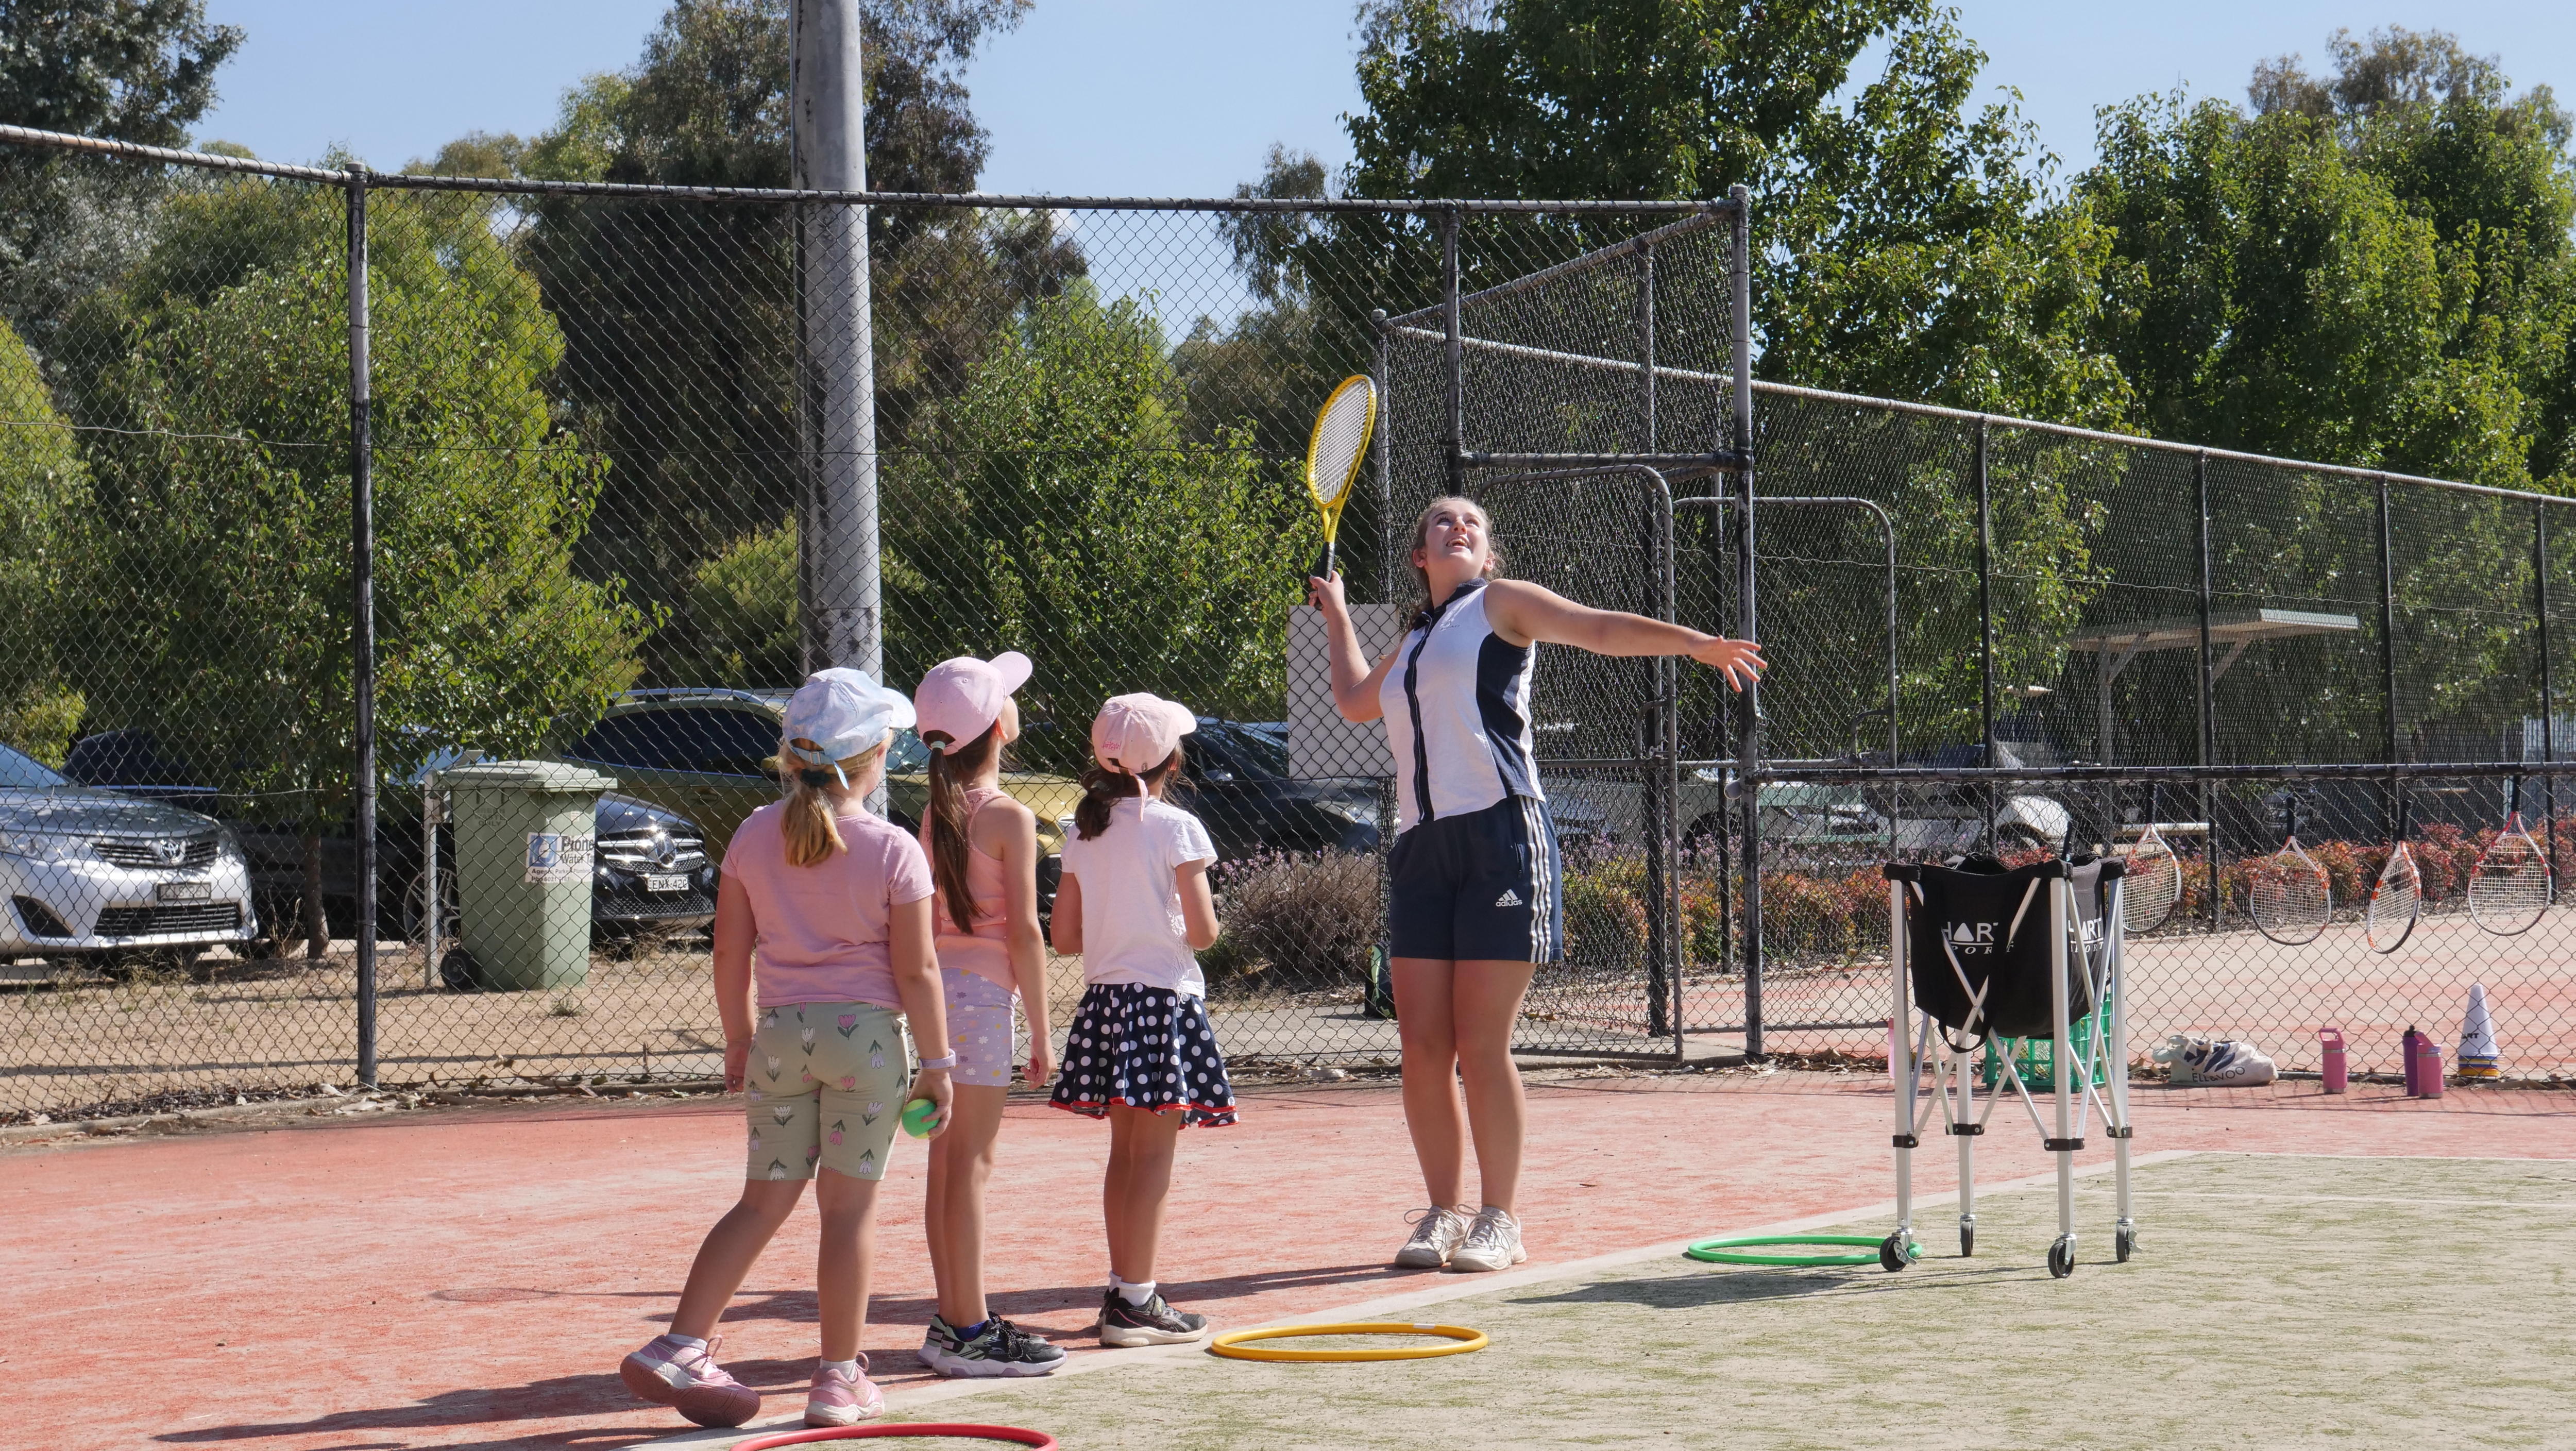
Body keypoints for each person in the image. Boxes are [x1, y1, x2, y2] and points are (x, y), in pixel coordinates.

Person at [1308, 495, 1764, 1272]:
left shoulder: (1501, 604)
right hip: (1422, 844)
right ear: (1420, 556)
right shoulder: (1417, 634)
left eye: (1472, 524)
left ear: (1488, 554)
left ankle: (1500, 1217)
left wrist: (1695, 645)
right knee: (1422, 1046)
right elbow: (1354, 702)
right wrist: (1340, 617)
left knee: (1481, 1045)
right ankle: (1442, 1215)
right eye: (1441, 523)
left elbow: (1596, 627)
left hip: (1501, 834)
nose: (1457, 528)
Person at [618, 668, 957, 1429]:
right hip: (866, 1045)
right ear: (873, 757)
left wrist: (739, 1037)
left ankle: (681, 1343)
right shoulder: (896, 849)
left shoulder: (749, 835)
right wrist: (939, 1066)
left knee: (761, 1200)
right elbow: (917, 969)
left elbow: (728, 954)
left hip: (778, 1036)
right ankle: (838, 1380)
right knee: (848, 1214)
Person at [1047, 692, 1235, 1346]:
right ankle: (1136, 1299)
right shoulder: (1176, 827)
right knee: (1153, 1157)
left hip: (1106, 1005)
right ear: (1171, 763)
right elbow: (1206, 932)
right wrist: (1177, 923)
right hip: (1164, 1003)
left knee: (1124, 1154)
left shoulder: (1083, 830)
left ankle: (1125, 1289)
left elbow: (1064, 937)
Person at [911, 651, 1065, 1378]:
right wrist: (1042, 1028)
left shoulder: (933, 811)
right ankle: (967, 1328)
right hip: (980, 1005)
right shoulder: (1010, 817)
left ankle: (955, 1319)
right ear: (1001, 728)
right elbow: (1027, 934)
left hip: (938, 1007)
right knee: (970, 1166)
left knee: (948, 1167)